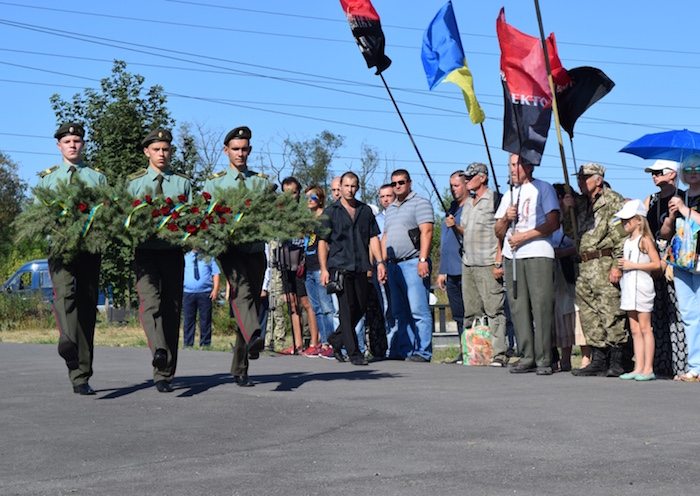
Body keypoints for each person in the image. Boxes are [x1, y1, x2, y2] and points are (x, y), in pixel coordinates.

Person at [39, 122, 107, 395]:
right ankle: (68, 343)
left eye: (77, 140)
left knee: (87, 309)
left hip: (89, 251)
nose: (73, 145)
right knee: (64, 297)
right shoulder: (48, 179)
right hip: (60, 251)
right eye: (68, 141)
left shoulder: (96, 177)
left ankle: (82, 376)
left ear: (83, 144)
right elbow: (37, 218)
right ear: (59, 146)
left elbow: (108, 212)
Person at [128, 127, 192, 393]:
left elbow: (191, 219)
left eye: (166, 149)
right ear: (147, 152)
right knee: (150, 304)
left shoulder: (182, 183)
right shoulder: (134, 183)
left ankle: (164, 374)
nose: (162, 153)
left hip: (173, 252)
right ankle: (159, 351)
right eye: (156, 149)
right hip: (145, 252)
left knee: (171, 309)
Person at [203, 125, 266, 387]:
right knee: (241, 295)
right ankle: (254, 334)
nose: (240, 154)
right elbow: (208, 217)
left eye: (245, 149)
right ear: (226, 150)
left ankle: (241, 368)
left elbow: (270, 216)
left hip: (254, 250)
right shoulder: (214, 182)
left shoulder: (261, 182)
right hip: (229, 250)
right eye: (236, 149)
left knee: (247, 304)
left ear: (249, 151)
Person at [494, 154, 559, 375]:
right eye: (510, 165)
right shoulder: (507, 195)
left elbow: (553, 222)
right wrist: (505, 218)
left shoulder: (543, 188)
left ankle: (544, 358)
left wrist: (526, 236)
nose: (512, 169)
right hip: (512, 256)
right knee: (517, 305)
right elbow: (498, 232)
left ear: (528, 166)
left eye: (516, 165)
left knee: (541, 305)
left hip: (538, 251)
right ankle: (526, 355)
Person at [562, 162, 628, 377]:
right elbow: (570, 232)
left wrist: (618, 264)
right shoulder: (580, 203)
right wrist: (567, 209)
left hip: (604, 260)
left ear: (598, 180)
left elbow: (621, 234)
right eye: (579, 179)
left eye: (585, 178)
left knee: (610, 310)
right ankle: (598, 357)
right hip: (584, 264)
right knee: (590, 313)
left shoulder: (613, 200)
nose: (580, 182)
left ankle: (618, 358)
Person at [319, 171, 386, 366]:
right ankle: (354, 353)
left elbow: (373, 238)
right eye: (346, 186)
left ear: (358, 187)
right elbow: (322, 242)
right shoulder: (330, 212)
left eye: (353, 186)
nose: (349, 190)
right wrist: (324, 269)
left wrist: (380, 263)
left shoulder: (365, 211)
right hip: (339, 267)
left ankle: (336, 339)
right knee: (346, 310)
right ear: (340, 187)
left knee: (361, 306)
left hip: (361, 266)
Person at [454, 162, 508, 367]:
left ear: (482, 177)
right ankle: (473, 352)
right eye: (465, 178)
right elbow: (466, 232)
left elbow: (501, 233)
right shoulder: (469, 203)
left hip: (488, 262)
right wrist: (454, 226)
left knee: (494, 309)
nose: (466, 180)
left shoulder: (494, 199)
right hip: (468, 263)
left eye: (470, 177)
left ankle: (499, 354)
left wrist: (498, 261)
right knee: (471, 310)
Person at [382, 169, 435, 362]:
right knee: (399, 311)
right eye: (394, 183)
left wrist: (422, 260)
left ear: (409, 183)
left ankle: (423, 351)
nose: (397, 186)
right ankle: (405, 350)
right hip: (393, 265)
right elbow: (385, 236)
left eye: (401, 183)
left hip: (413, 262)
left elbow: (427, 232)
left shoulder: (420, 202)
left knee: (418, 309)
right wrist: (382, 263)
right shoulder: (391, 208)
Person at [643, 159, 687, 378]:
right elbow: (646, 230)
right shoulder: (650, 200)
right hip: (654, 256)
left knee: (676, 311)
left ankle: (683, 364)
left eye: (659, 172)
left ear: (672, 174)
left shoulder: (683, 197)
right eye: (652, 172)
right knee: (656, 310)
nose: (654, 176)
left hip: (676, 256)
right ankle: (662, 363)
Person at [615, 199, 660, 381]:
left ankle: (648, 367)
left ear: (639, 220)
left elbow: (656, 264)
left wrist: (633, 265)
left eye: (628, 220)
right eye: (623, 220)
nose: (625, 224)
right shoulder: (627, 241)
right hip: (628, 287)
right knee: (634, 329)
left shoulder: (645, 240)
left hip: (642, 286)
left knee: (645, 327)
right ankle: (638, 366)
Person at [277, 177, 321, 356]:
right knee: (292, 303)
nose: (290, 197)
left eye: (294, 193)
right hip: (285, 260)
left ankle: (314, 342)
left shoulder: (305, 213)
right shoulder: (279, 212)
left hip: (301, 262)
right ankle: (297, 344)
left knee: (306, 303)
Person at [666, 154, 700, 382]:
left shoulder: (684, 202)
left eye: (697, 167)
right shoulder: (680, 196)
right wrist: (671, 215)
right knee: (688, 314)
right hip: (680, 261)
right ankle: (694, 367)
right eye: (687, 168)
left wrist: (686, 210)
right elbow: (666, 233)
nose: (692, 171)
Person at [302, 185, 336, 358]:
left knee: (326, 307)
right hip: (308, 266)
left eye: (313, 197)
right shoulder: (308, 221)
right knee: (316, 308)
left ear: (321, 199)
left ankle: (331, 342)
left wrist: (325, 268)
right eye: (306, 197)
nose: (309, 200)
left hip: (319, 267)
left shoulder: (325, 217)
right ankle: (323, 343)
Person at [551, 184, 579, 372]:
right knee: (554, 314)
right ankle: (555, 356)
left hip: (569, 268)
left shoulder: (574, 218)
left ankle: (568, 358)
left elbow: (581, 243)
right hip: (551, 270)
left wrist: (564, 252)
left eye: (559, 197)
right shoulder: (549, 218)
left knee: (568, 313)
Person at [438, 171, 467, 339]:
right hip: (451, 269)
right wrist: (442, 270)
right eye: (451, 186)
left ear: (466, 185)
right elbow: (444, 240)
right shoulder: (451, 209)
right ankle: (464, 347)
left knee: (469, 311)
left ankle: (474, 347)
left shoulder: (470, 207)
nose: (453, 189)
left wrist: (456, 226)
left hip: (465, 267)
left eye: (456, 185)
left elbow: (474, 234)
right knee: (457, 312)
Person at [182, 250, 220, 348]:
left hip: (205, 292)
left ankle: (205, 343)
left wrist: (215, 290)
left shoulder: (208, 257)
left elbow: (216, 273)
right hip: (188, 292)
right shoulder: (185, 258)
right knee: (188, 320)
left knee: (205, 319)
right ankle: (188, 343)